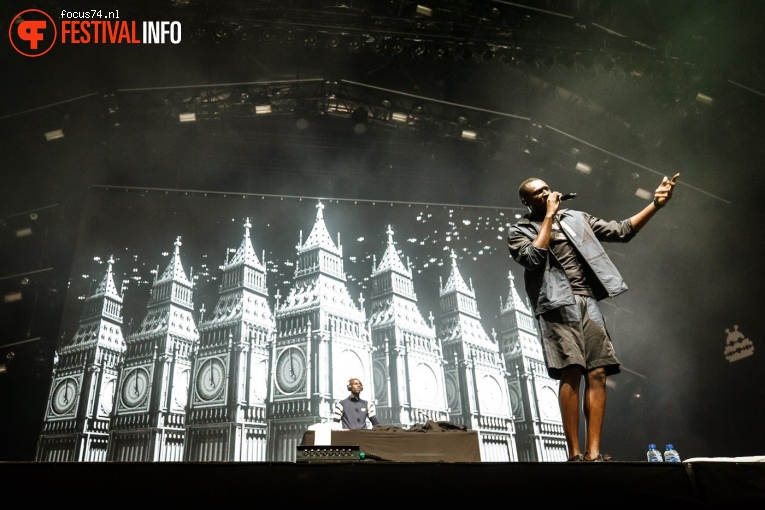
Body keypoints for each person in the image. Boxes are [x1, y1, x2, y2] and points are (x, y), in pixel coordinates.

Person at [507, 173, 679, 462]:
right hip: (556, 304)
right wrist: (548, 216)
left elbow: (622, 231)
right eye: (539, 193)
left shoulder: (575, 217)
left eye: (547, 188)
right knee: (571, 370)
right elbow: (534, 258)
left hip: (587, 301)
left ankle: (593, 453)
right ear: (527, 201)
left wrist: (656, 205)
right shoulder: (519, 231)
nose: (547, 193)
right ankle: (574, 453)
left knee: (598, 371)